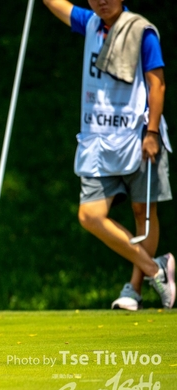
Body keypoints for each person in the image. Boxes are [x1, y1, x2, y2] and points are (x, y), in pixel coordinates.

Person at [43, 0, 175, 310]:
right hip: (97, 138)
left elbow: (157, 85)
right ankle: (156, 269)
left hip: (137, 134)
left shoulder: (141, 31)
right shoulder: (89, 22)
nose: (101, 1)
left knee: (142, 212)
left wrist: (152, 133)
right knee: (89, 215)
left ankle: (134, 289)